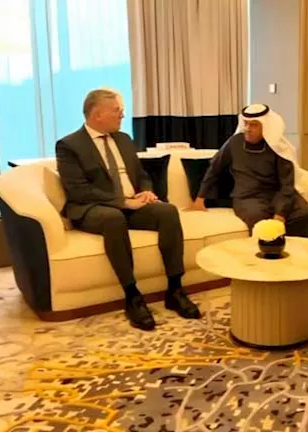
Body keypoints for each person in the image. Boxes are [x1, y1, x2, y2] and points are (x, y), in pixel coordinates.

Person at [56, 89, 201, 331]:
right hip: (93, 208)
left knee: (167, 211)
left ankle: (175, 289)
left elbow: (141, 174)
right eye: (117, 111)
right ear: (97, 114)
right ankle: (132, 296)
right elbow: (78, 190)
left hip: (132, 203)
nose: (122, 115)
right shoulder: (69, 145)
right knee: (114, 218)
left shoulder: (123, 139)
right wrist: (123, 202)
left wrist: (145, 191)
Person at [190, 104, 308, 239]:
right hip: (248, 197)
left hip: (277, 194)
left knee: (304, 215)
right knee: (259, 221)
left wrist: (280, 214)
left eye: (253, 125)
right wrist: (200, 199)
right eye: (246, 123)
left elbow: (287, 185)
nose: (247, 128)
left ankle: (302, 252)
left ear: (266, 126)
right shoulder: (235, 142)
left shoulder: (278, 147)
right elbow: (214, 169)